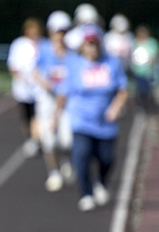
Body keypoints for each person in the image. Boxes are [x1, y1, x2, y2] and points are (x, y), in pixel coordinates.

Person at [54, 24, 128, 212]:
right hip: (81, 121)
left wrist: (115, 108)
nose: (92, 48)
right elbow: (63, 93)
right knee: (82, 156)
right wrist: (55, 116)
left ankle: (101, 182)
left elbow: (122, 90)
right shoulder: (74, 64)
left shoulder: (112, 63)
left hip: (106, 122)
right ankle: (86, 193)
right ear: (83, 46)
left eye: (94, 44)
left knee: (107, 158)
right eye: (88, 44)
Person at [34, 10, 75, 192]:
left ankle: (66, 160)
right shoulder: (43, 49)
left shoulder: (72, 53)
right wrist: (45, 84)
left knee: (67, 140)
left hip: (66, 101)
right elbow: (35, 72)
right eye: (57, 31)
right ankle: (53, 172)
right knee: (48, 141)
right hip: (47, 100)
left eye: (64, 31)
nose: (60, 35)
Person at [7, 17, 44, 157]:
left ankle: (36, 140)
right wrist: (22, 78)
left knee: (37, 115)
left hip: (39, 89)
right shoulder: (19, 44)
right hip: (23, 89)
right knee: (26, 116)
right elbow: (12, 65)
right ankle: (29, 138)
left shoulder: (42, 44)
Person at [131, 24, 159, 114]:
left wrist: (154, 62)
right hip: (137, 72)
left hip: (149, 72)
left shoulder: (152, 43)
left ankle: (150, 108)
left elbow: (157, 55)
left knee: (148, 90)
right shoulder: (135, 43)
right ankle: (141, 108)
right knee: (140, 91)